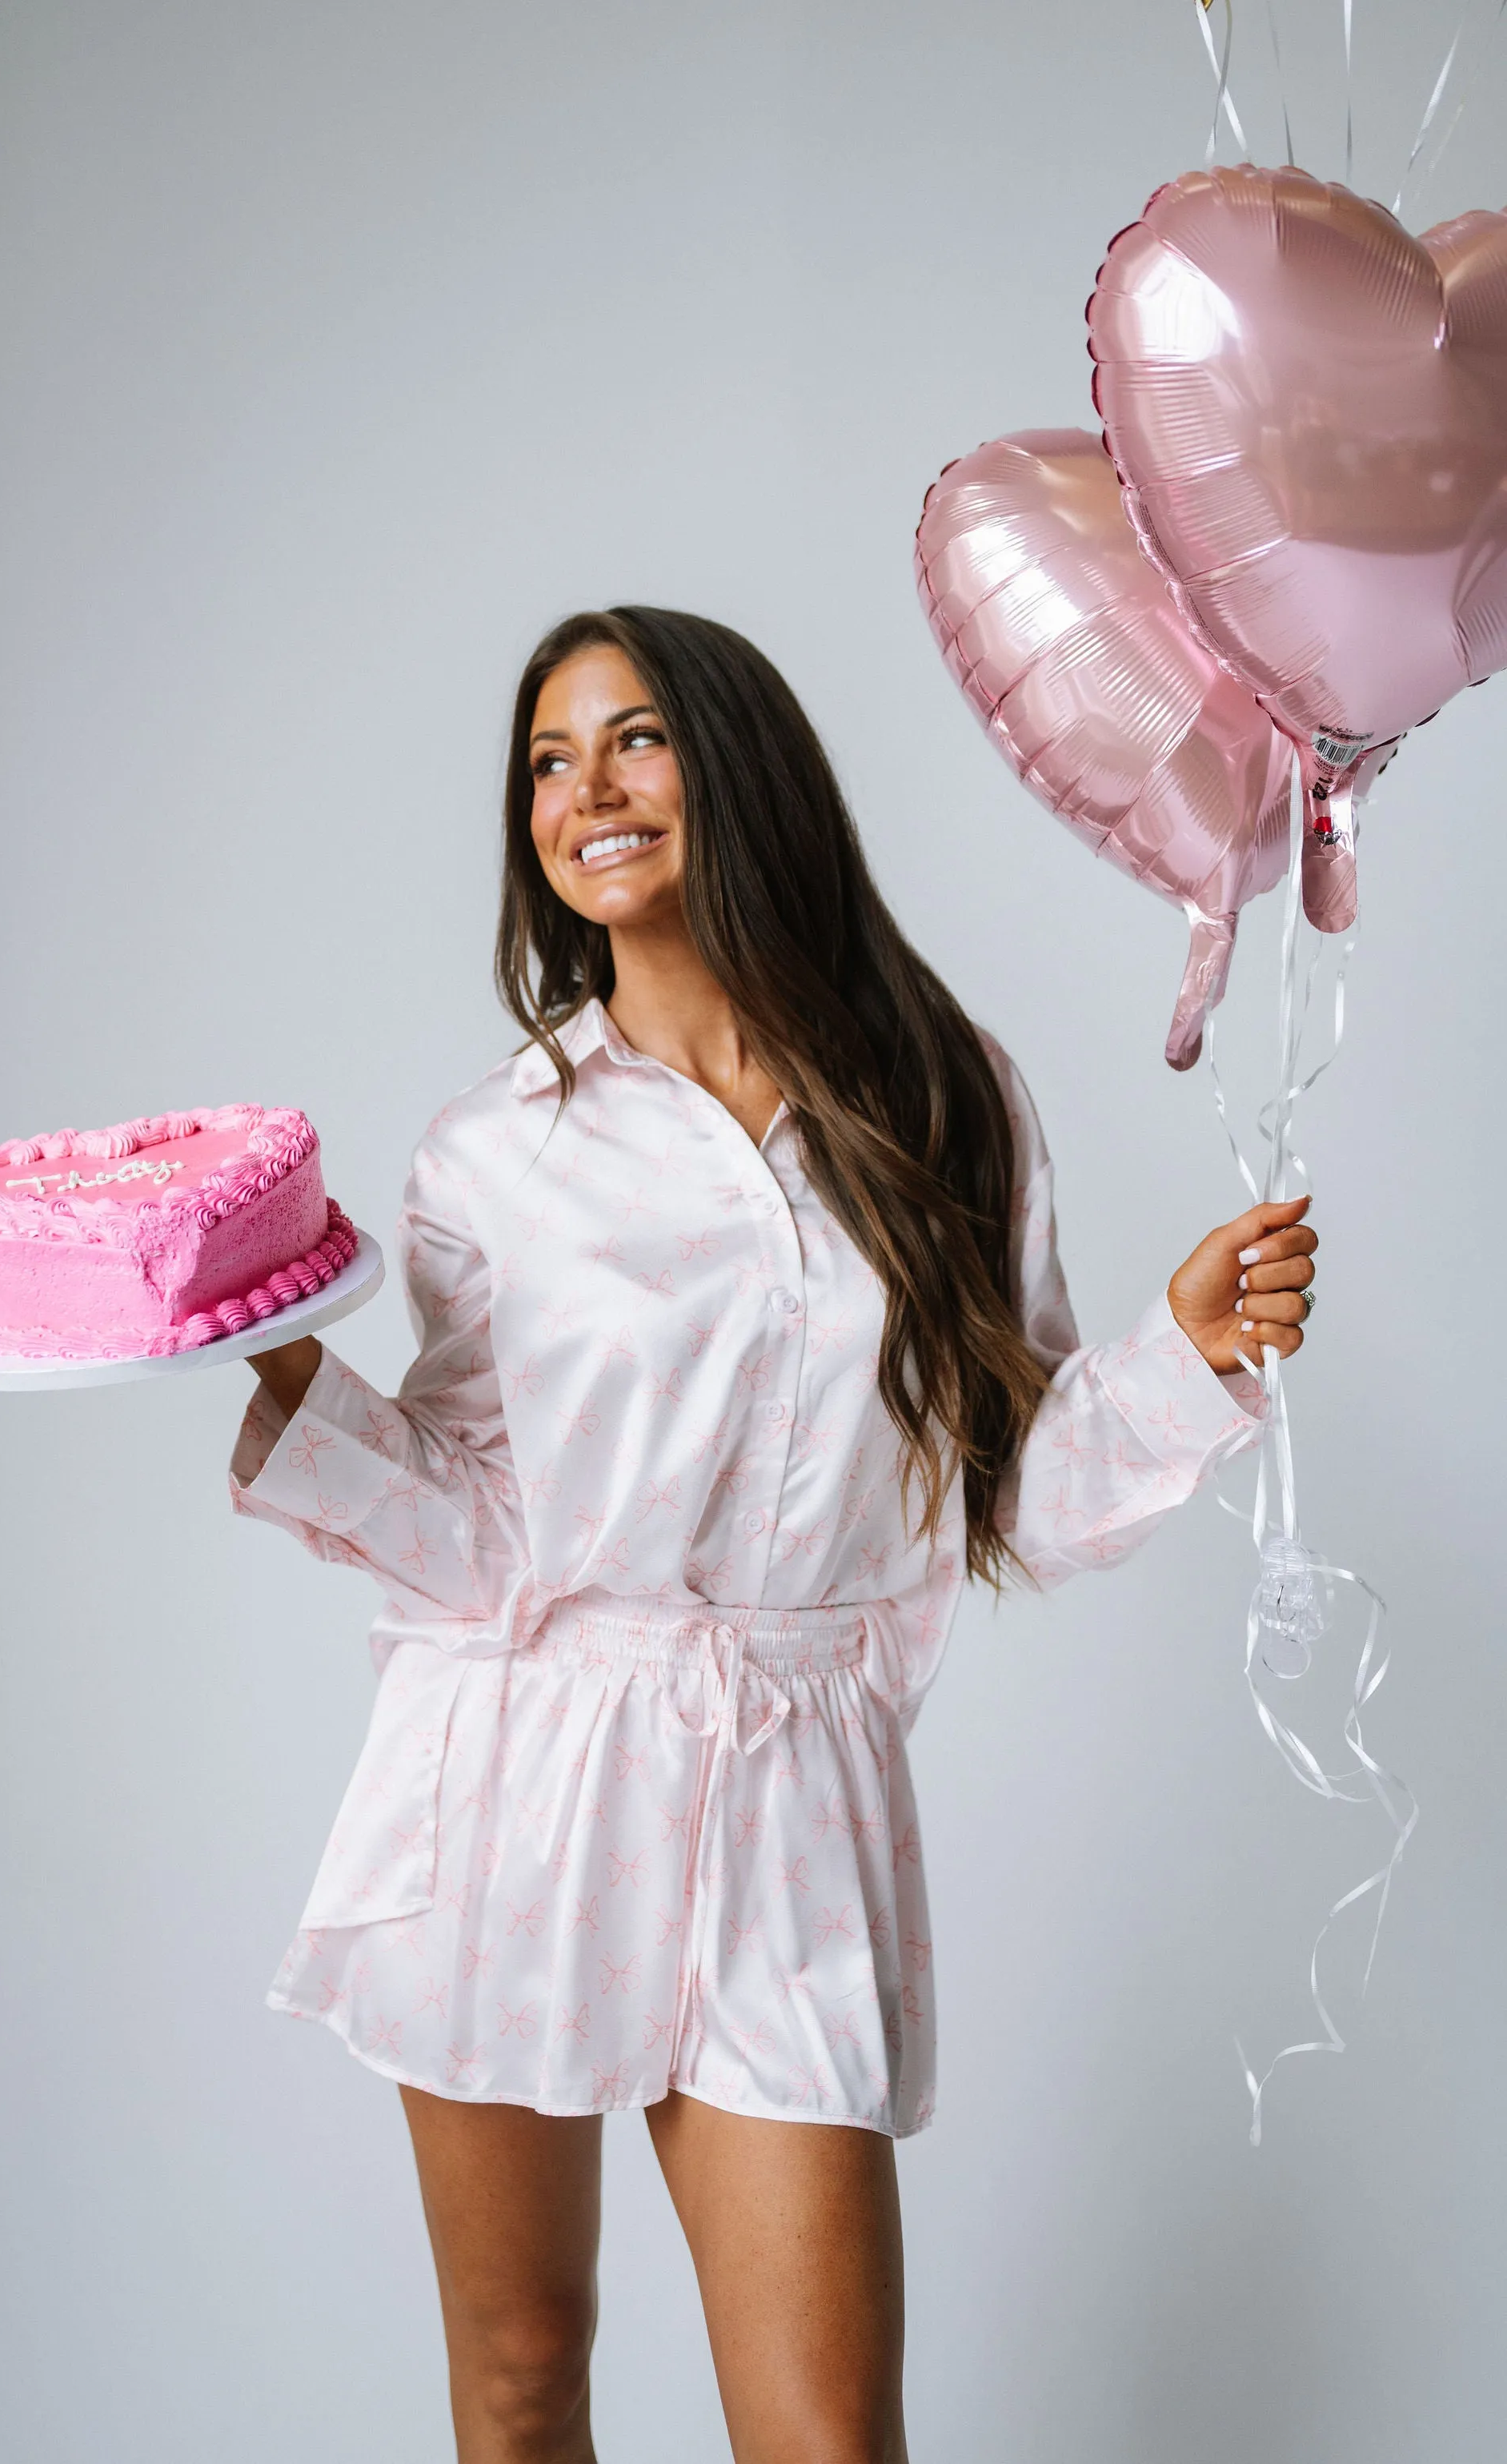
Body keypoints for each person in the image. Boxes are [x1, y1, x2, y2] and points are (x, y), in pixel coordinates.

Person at [230, 606, 1317, 2464]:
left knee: (824, 2437)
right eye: (550, 763)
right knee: (519, 2380)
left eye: (635, 739)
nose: (588, 793)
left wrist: (1179, 1355)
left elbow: (1014, 1493)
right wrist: (290, 1399)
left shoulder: (942, 1094)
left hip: (793, 1796)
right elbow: (491, 1533)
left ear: (738, 764)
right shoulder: (492, 1153)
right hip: (518, 1776)